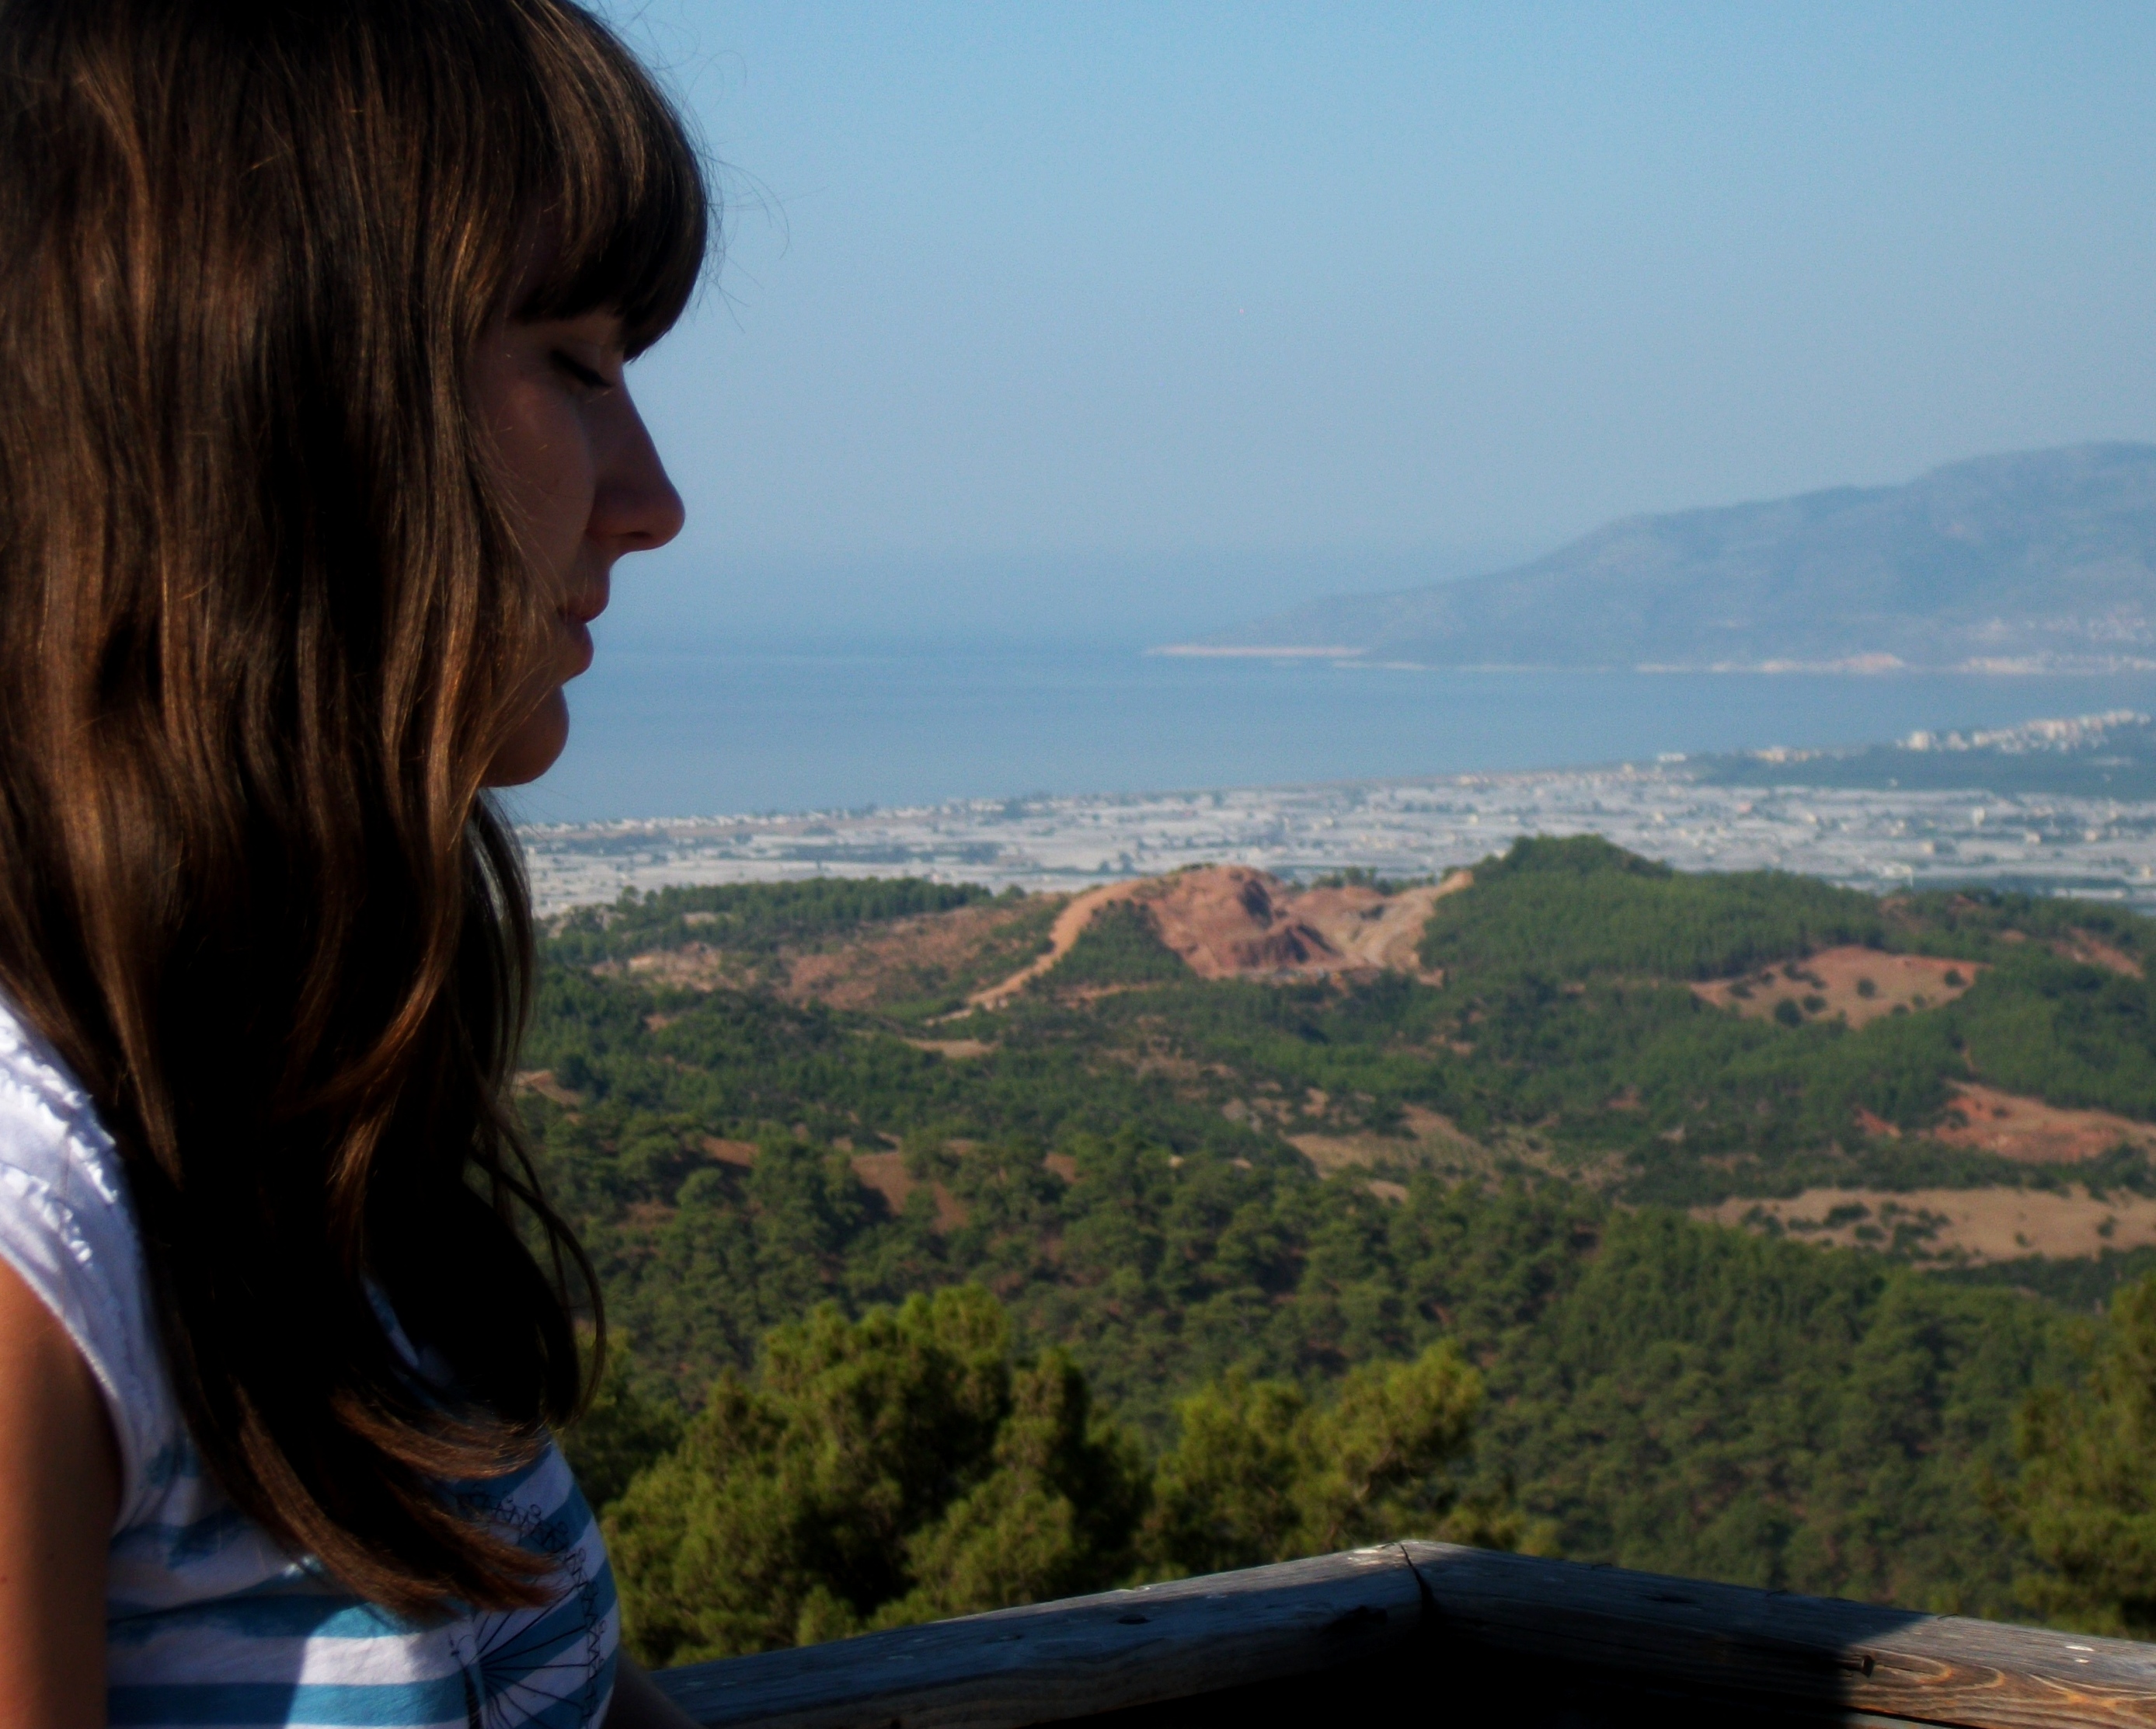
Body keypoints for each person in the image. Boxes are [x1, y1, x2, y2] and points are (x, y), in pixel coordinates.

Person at [0, 3, 709, 1724]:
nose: (650, 497)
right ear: (270, 401)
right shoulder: (37, 1234)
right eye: (574, 364)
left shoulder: (264, 1106)